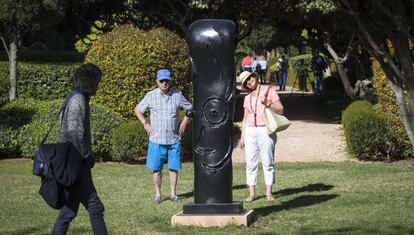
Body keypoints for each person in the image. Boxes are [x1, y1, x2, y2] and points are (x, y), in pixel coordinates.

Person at [53, 64, 108, 235]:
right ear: (91, 81)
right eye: (97, 81)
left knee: (69, 210)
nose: (98, 85)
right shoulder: (78, 100)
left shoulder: (76, 97)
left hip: (72, 162)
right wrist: (86, 156)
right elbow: (74, 134)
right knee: (95, 207)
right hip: (76, 163)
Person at [135, 68, 192, 204]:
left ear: (170, 81)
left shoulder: (177, 95)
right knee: (156, 169)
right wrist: (145, 124)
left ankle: (173, 194)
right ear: (157, 82)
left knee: (173, 168)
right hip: (156, 140)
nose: (164, 83)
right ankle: (158, 194)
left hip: (174, 139)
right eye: (162, 81)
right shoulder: (150, 95)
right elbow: (138, 110)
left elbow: (190, 108)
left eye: (166, 80)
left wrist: (185, 121)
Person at [237, 71, 284, 202]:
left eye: (249, 79)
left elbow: (281, 109)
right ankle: (252, 193)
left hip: (265, 130)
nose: (248, 82)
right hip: (250, 132)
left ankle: (269, 193)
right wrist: (242, 137)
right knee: (250, 163)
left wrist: (268, 103)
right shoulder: (247, 98)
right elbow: (245, 118)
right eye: (245, 82)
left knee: (268, 162)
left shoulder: (269, 90)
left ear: (254, 77)